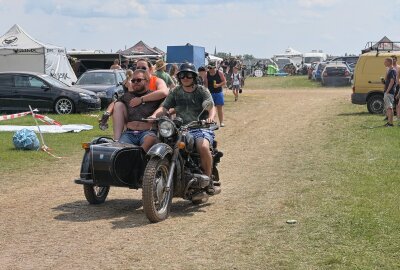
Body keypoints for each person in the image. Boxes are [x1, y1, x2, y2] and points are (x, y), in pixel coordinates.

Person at [150, 62, 220, 194]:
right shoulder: (175, 91)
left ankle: (208, 179)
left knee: (203, 146)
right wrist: (154, 116)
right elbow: (164, 107)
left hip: (200, 127)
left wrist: (210, 118)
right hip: (181, 128)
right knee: (161, 141)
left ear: (193, 76)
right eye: (182, 75)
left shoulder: (202, 90)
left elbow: (211, 107)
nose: (185, 78)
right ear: (179, 77)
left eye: (188, 75)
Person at [112, 58, 168, 140]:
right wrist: (107, 112)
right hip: (134, 116)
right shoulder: (134, 83)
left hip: (150, 117)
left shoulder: (157, 80)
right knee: (118, 105)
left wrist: (141, 99)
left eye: (143, 68)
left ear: (150, 69)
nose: (136, 82)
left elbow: (164, 92)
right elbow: (125, 98)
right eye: (138, 68)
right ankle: (117, 139)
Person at [117, 69, 162, 152]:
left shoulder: (154, 96)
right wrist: (107, 113)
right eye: (133, 81)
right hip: (129, 133)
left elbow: (166, 106)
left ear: (147, 81)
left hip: (147, 132)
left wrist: (155, 115)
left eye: (139, 80)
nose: (135, 82)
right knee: (120, 150)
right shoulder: (127, 96)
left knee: (150, 139)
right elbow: (114, 103)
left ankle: (138, 158)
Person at [205, 61, 226, 127]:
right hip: (210, 93)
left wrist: (218, 85)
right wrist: (206, 91)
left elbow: (224, 81)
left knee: (219, 107)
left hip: (218, 93)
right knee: (210, 108)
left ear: (215, 67)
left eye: (212, 68)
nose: (210, 69)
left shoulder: (219, 73)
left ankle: (221, 122)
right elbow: (205, 84)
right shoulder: (207, 74)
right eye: (209, 68)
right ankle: (212, 122)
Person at [383, 57, 396, 127]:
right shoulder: (389, 70)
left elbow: (392, 81)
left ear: (388, 62)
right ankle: (389, 122)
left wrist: (387, 91)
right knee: (389, 108)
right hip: (389, 92)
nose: (384, 63)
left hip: (389, 92)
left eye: (385, 62)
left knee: (389, 108)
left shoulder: (392, 70)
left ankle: (390, 124)